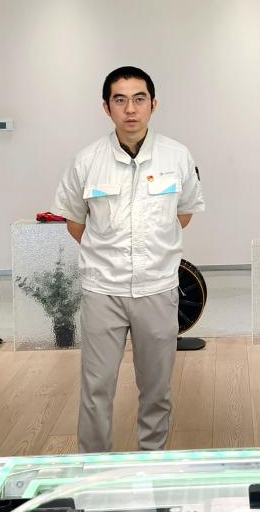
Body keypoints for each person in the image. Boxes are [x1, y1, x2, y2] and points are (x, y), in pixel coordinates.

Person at [53, 66, 205, 452]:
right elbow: (75, 222)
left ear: (154, 104)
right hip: (103, 289)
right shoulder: (87, 160)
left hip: (157, 287)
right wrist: (109, 252)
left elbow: (184, 212)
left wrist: (152, 248)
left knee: (156, 389)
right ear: (107, 107)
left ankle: (152, 462)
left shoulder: (177, 156)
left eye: (139, 99)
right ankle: (94, 468)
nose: (130, 109)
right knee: (96, 389)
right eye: (120, 100)